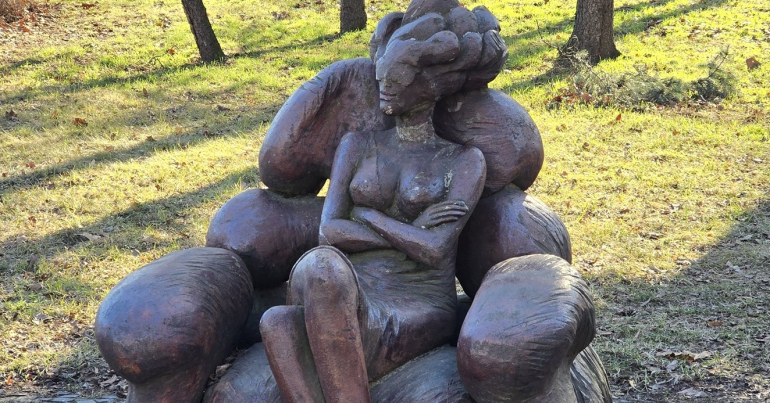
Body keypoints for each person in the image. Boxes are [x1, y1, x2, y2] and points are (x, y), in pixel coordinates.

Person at [259, 6, 507, 402]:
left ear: (431, 86)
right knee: (280, 316)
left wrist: (367, 216)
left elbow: (434, 249)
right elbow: (329, 231)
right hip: (345, 290)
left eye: (398, 79)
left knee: (311, 291)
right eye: (382, 78)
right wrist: (407, 232)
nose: (385, 87)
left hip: (416, 298)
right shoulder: (357, 145)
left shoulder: (462, 161)